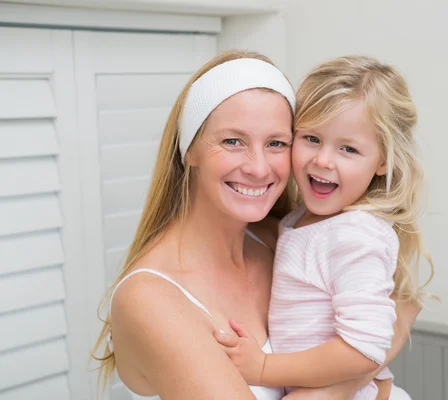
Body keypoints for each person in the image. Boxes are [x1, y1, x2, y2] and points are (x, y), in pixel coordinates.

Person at [92, 50, 419, 399]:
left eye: (277, 143)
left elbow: (403, 305)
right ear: (189, 149)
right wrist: (348, 383)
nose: (259, 168)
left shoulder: (283, 236)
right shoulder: (151, 300)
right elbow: (388, 332)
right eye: (233, 141)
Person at [215, 56, 433, 399]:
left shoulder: (354, 235)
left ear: (383, 162)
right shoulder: (303, 220)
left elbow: (365, 348)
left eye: (348, 148)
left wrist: (262, 369)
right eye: (311, 138)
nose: (323, 160)